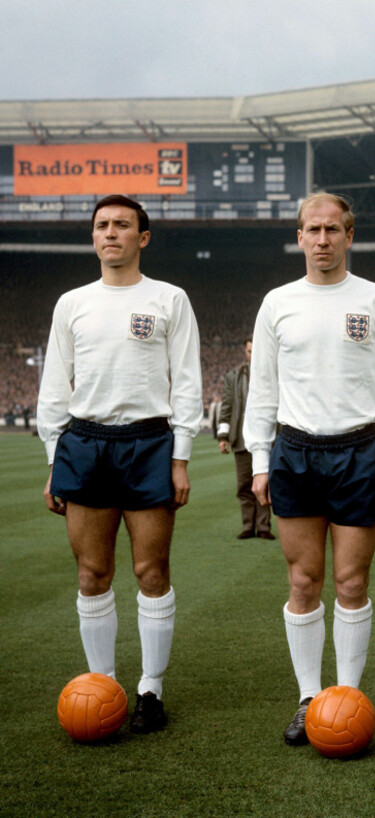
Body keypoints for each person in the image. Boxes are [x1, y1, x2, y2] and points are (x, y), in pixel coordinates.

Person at [244, 192, 375, 745]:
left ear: (349, 235)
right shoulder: (277, 303)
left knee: (351, 581)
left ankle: (347, 696)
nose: (322, 239)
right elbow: (263, 388)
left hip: (359, 451)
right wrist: (260, 459)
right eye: (312, 230)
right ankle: (308, 697)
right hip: (294, 450)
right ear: (299, 237)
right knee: (303, 580)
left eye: (332, 230)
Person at [37, 194, 203, 734]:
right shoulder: (72, 303)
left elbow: (188, 387)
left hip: (150, 443)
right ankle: (101, 685)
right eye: (102, 225)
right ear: (93, 237)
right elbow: (53, 391)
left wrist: (180, 458)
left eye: (123, 225)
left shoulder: (170, 299)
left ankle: (150, 689)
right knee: (92, 573)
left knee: (151, 571)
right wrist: (53, 460)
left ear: (143, 237)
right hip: (84, 444)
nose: (111, 233)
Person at [217, 337, 274, 540]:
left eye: (255, 351)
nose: (252, 355)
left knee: (265, 483)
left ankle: (264, 526)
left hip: (267, 439)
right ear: (245, 352)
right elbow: (227, 406)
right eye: (249, 351)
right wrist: (223, 436)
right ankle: (248, 525)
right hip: (241, 440)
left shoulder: (272, 373)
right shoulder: (234, 376)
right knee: (244, 486)